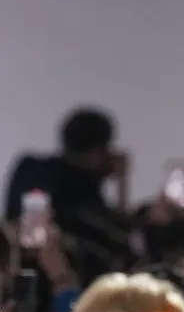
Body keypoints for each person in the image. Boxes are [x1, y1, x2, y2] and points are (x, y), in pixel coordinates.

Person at [4, 108, 133, 285]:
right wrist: (121, 181)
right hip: (62, 280)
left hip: (16, 271)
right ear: (98, 151)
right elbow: (120, 237)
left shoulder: (29, 167)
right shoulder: (84, 189)